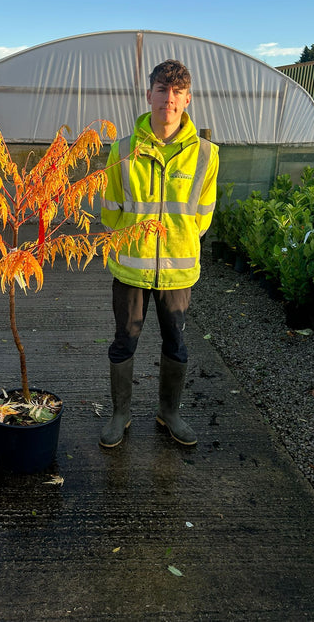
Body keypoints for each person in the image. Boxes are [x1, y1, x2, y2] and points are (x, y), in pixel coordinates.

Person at [99, 59, 219, 448]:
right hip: (130, 269)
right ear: (149, 94)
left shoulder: (206, 155)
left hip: (178, 271)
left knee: (176, 344)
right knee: (124, 341)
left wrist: (176, 245)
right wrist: (135, 244)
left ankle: (170, 412)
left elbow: (202, 217)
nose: (169, 99)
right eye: (162, 89)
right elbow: (111, 212)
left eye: (177, 92)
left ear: (188, 99)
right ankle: (121, 413)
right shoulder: (121, 150)